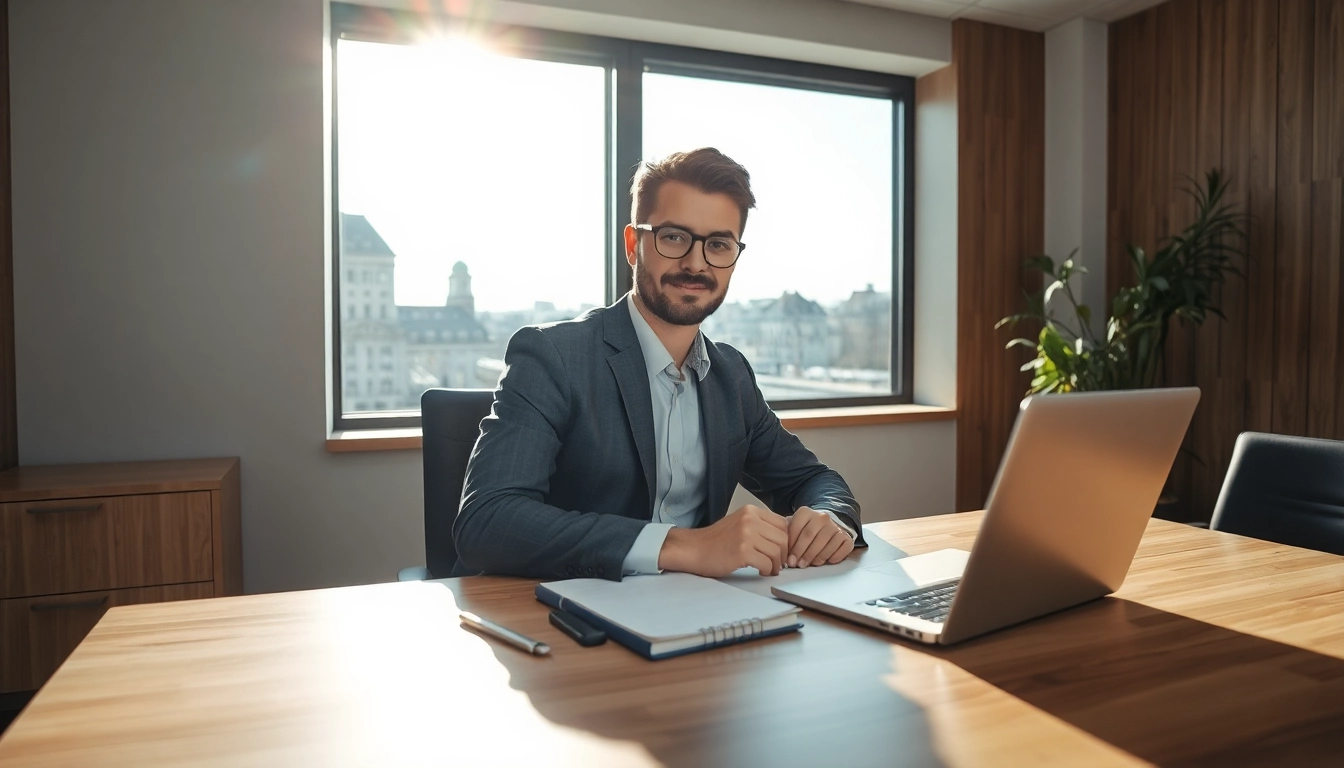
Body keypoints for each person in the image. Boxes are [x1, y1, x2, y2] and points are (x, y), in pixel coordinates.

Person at [453, 148, 862, 581]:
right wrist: (685, 546)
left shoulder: (732, 375)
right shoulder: (552, 357)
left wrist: (830, 518)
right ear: (634, 245)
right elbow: (487, 521)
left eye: (718, 244)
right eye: (673, 237)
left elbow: (814, 480)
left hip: (696, 615)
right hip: (563, 616)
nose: (696, 263)